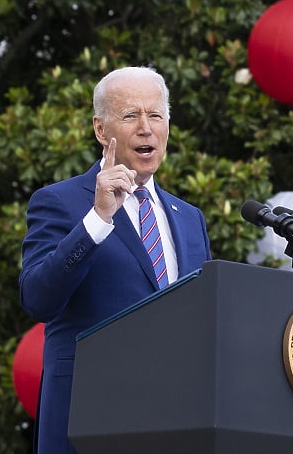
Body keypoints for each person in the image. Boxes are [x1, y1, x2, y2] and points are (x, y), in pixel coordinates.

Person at [19, 66, 212, 454]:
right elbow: (37, 298)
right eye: (130, 116)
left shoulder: (189, 217)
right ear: (100, 129)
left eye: (155, 115)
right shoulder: (60, 201)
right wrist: (98, 219)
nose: (146, 128)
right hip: (89, 420)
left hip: (173, 422)